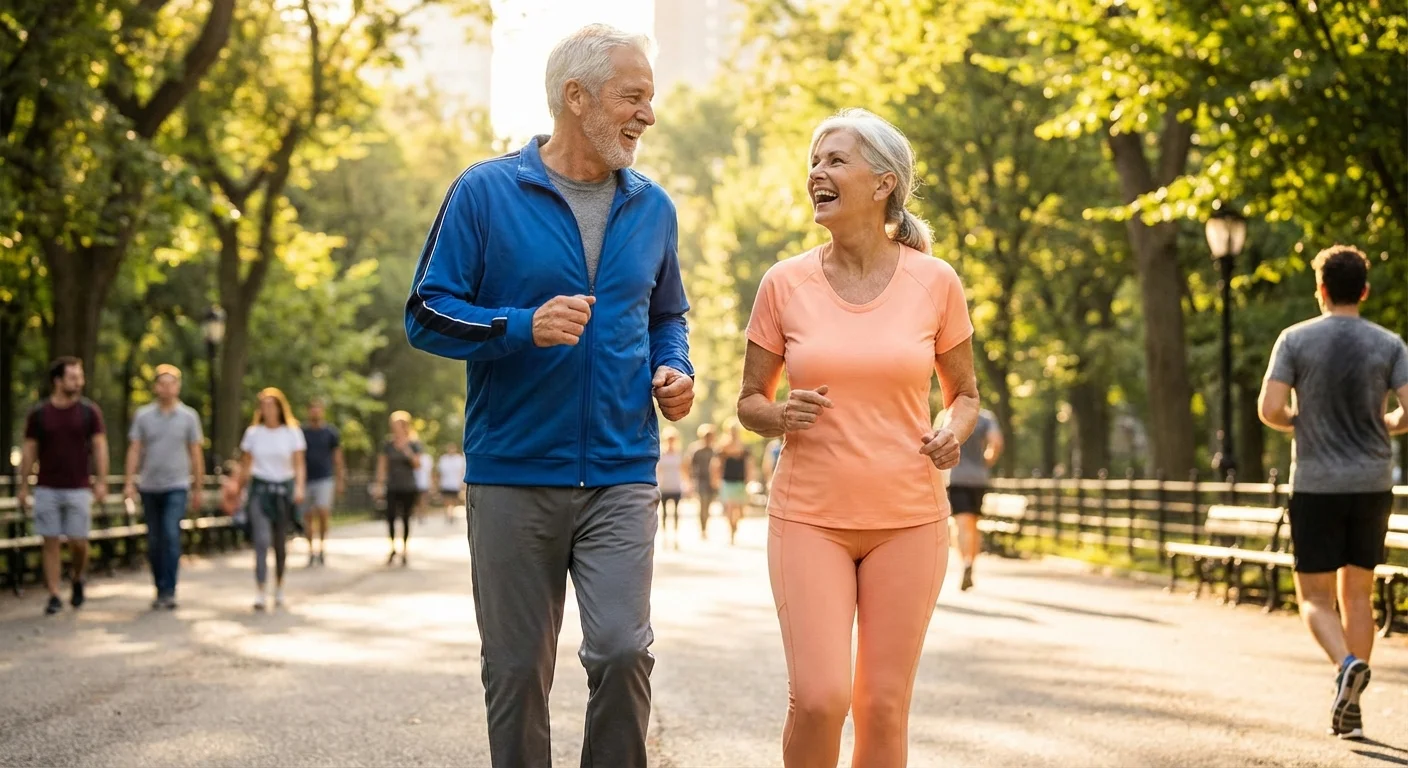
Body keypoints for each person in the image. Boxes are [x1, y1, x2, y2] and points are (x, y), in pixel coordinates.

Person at [404, 24, 693, 767]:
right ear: (576, 96)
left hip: (622, 470)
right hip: (512, 472)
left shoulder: (652, 206)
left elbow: (666, 315)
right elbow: (427, 312)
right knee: (514, 674)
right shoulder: (485, 192)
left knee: (624, 652)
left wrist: (674, 368)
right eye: (634, 97)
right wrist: (517, 325)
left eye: (649, 99)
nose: (648, 115)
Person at [736, 108, 980, 767]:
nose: (817, 171)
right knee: (820, 698)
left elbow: (965, 396)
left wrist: (949, 432)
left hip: (909, 517)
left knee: (882, 706)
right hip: (810, 516)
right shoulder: (784, 283)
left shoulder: (937, 281)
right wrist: (780, 414)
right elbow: (749, 403)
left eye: (836, 160)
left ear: (883, 183)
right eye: (814, 161)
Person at [1257, 244, 1408, 741]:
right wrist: (1389, 423)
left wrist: (1296, 421)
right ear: (1363, 290)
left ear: (1320, 289)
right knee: (1358, 596)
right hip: (1371, 483)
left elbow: (1270, 407)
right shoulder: (1389, 345)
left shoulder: (1295, 340)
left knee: (1315, 598)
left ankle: (1345, 664)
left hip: (1318, 484)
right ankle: (1353, 706)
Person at [18, 357, 109, 616]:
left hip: (79, 487)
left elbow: (100, 447)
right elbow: (29, 451)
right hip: (47, 486)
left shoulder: (89, 412)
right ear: (57, 381)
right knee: (51, 541)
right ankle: (54, 593)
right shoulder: (39, 414)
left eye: (80, 377)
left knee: (79, 541)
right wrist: (23, 486)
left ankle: (78, 576)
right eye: (72, 377)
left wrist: (101, 481)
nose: (78, 382)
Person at [123, 364, 204, 609]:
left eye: (172, 383)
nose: (167, 388)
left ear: (178, 387)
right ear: (156, 387)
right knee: (155, 539)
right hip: (149, 486)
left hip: (177, 485)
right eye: (162, 383)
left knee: (170, 533)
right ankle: (159, 586)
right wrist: (129, 482)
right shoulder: (144, 416)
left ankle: (170, 589)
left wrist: (198, 487)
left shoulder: (189, 417)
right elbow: (135, 449)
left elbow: (196, 453)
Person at [237, 388, 306, 611]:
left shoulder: (292, 432)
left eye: (271, 405)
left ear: (279, 407)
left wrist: (299, 488)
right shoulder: (253, 433)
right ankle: (259, 589)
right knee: (261, 540)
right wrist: (239, 490)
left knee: (279, 543)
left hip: (283, 490)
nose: (267, 409)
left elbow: (298, 464)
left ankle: (279, 585)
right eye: (263, 405)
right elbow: (245, 465)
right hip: (260, 490)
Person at [939, 407, 1003, 591]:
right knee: (974, 523)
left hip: (956, 476)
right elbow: (996, 442)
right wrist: (985, 462)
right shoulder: (985, 417)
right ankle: (971, 563)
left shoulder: (947, 416)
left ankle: (965, 563)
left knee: (961, 523)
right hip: (978, 478)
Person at [374, 411, 422, 566]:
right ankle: (393, 547)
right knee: (390, 517)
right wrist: (379, 485)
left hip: (408, 486)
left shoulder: (413, 443)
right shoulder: (387, 444)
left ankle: (405, 549)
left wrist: (406, 449)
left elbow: (417, 464)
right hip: (392, 485)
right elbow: (382, 466)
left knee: (406, 518)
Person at [300, 398, 344, 567]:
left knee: (323, 512)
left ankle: (322, 547)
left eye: (318, 409)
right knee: (308, 516)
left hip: (325, 478)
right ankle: (311, 550)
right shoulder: (302, 432)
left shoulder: (330, 433)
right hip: (306, 479)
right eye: (312, 409)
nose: (315, 412)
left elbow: (338, 457)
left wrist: (340, 479)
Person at [714, 423, 752, 546]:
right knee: (730, 508)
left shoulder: (744, 448)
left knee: (740, 511)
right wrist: (716, 478)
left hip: (740, 481)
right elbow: (717, 464)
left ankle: (735, 525)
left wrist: (749, 478)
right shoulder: (723, 447)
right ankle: (731, 532)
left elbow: (748, 464)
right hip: (727, 481)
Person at [684, 425, 718, 540]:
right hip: (700, 481)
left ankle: (705, 525)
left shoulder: (715, 450)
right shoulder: (696, 450)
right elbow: (688, 465)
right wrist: (689, 481)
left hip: (712, 482)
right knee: (703, 504)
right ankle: (703, 528)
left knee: (708, 506)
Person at [657, 428, 684, 548]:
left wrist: (686, 484)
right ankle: (665, 536)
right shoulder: (661, 454)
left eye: (673, 440)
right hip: (664, 486)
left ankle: (676, 536)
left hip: (676, 486)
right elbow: (658, 470)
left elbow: (683, 470)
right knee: (664, 513)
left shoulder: (679, 454)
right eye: (669, 439)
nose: (671, 442)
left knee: (676, 512)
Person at [435, 442, 467, 524]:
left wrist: (462, 483)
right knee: (446, 500)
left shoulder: (459, 459)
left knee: (454, 500)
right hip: (445, 483)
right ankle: (448, 514)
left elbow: (461, 471)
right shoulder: (443, 459)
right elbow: (440, 472)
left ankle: (451, 514)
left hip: (455, 484)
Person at [413, 441, 434, 524]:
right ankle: (418, 515)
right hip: (414, 482)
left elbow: (430, 471)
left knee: (423, 500)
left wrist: (431, 483)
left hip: (424, 482)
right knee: (416, 501)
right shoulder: (413, 457)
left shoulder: (427, 458)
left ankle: (423, 515)